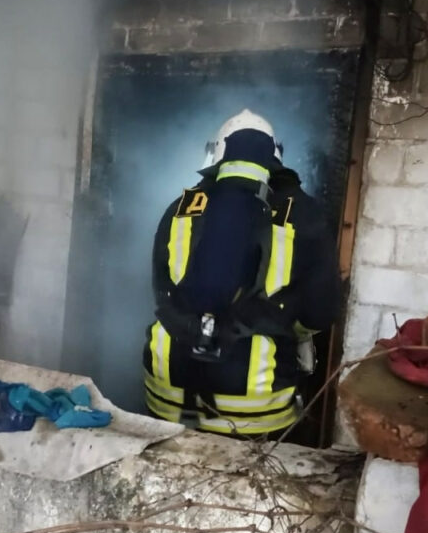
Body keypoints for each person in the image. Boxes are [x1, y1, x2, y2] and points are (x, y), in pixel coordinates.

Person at [142, 109, 342, 437]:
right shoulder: (303, 213)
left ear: (216, 153)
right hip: (256, 409)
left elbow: (161, 292)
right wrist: (278, 322)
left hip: (168, 398)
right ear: (275, 155)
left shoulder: (180, 207)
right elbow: (321, 312)